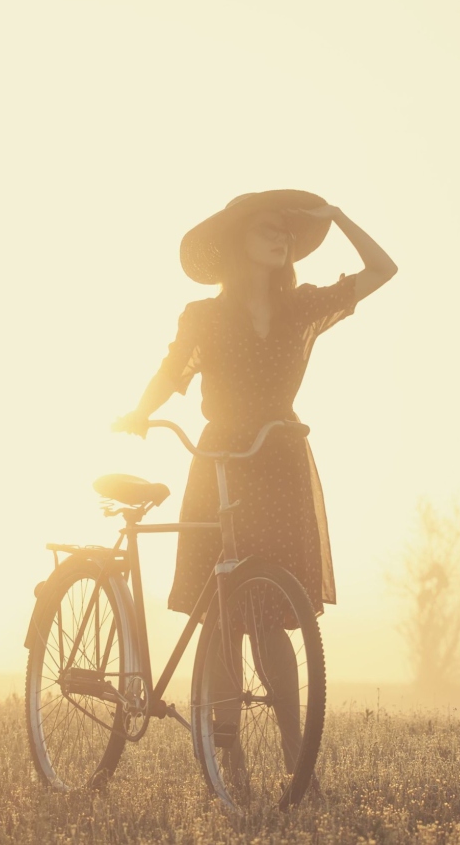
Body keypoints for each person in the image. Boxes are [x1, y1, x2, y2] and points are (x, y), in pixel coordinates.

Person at [112, 189, 397, 780]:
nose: (282, 238)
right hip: (222, 456)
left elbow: (383, 270)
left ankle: (298, 760)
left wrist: (339, 216)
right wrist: (141, 411)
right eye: (268, 229)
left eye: (287, 233)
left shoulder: (304, 308)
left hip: (280, 456)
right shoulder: (204, 316)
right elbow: (173, 370)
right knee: (222, 616)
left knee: (273, 612)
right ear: (238, 241)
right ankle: (228, 754)